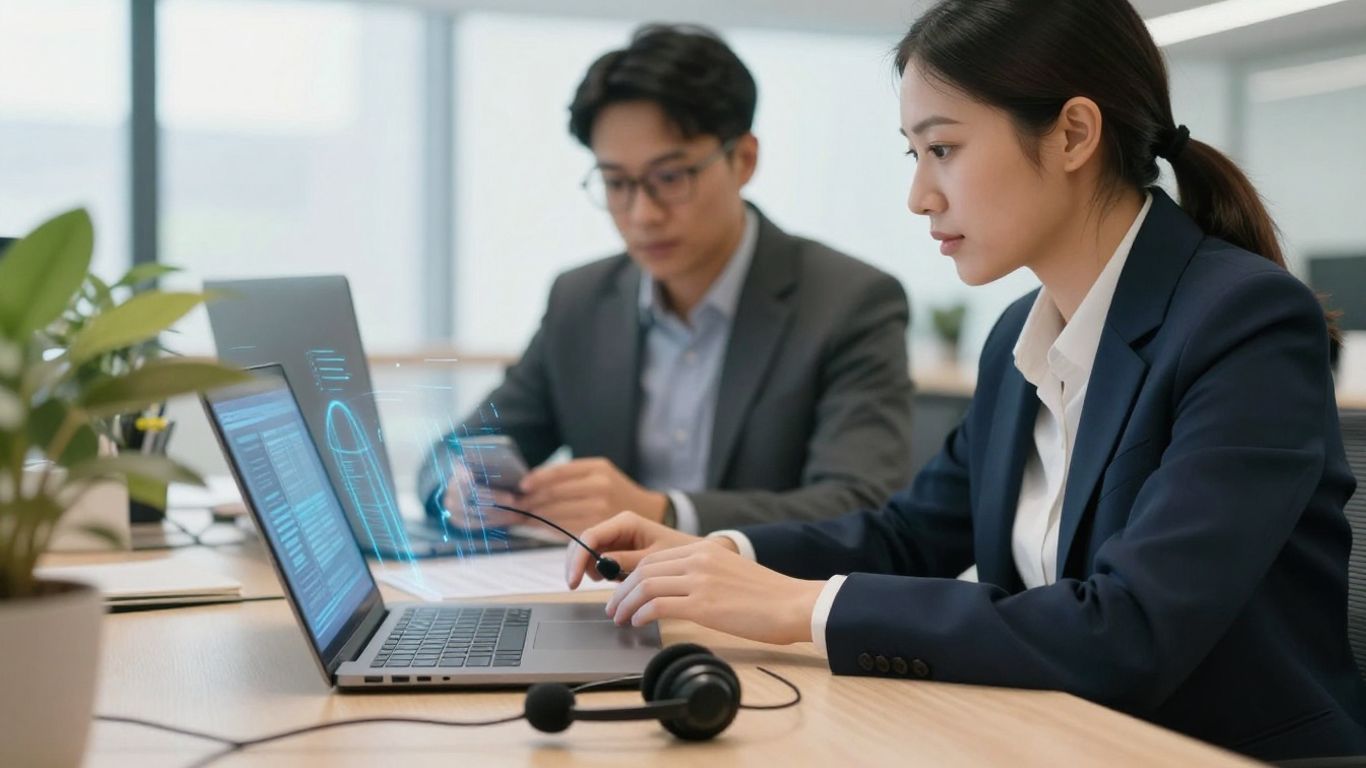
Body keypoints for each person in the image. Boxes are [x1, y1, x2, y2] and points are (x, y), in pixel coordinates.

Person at [564, 0, 1366, 760]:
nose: (920, 197)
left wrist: (798, 606)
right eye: (914, 155)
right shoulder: (1021, 334)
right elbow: (910, 536)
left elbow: (1132, 628)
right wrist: (715, 554)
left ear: (1073, 134)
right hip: (1047, 739)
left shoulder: (1246, 323)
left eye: (943, 149)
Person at [419, 25, 914, 537]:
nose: (643, 214)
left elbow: (862, 505)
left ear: (744, 159)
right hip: (596, 584)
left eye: (671, 178)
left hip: (759, 587)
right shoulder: (581, 301)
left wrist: (664, 512)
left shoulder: (849, 302)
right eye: (616, 183)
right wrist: (458, 492)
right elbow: (448, 455)